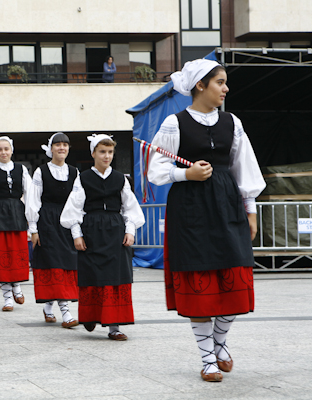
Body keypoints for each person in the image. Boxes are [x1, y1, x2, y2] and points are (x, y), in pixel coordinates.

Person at [147, 59, 266, 382]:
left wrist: (251, 209)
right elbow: (155, 169)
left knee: (236, 274)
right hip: (190, 209)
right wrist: (185, 173)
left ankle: (220, 343)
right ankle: (208, 359)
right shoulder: (174, 123)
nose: (226, 88)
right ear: (200, 85)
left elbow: (244, 167)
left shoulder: (232, 122)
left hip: (227, 205)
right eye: (220, 82)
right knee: (198, 282)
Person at [60, 134, 145, 340]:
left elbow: (130, 207)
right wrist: (77, 234)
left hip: (115, 231)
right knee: (93, 275)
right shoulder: (83, 178)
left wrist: (130, 230)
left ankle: (114, 327)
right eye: (102, 152)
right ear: (93, 154)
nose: (106, 156)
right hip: (92, 231)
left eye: (110, 152)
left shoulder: (120, 179)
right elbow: (73, 208)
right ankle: (90, 316)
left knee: (115, 277)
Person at [25, 133, 79, 328]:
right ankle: (65, 311)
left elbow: (78, 200)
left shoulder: (74, 172)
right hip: (47, 221)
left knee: (65, 263)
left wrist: (78, 226)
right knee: (53, 263)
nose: (61, 148)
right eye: (58, 145)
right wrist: (33, 228)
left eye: (65, 144)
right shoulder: (41, 171)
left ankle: (48, 307)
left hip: (67, 221)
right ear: (51, 148)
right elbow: (33, 200)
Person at [0, 136, 32, 311]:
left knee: (16, 252)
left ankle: (17, 286)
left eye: (6, 149)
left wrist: (30, 217)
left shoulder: (21, 169)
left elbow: (29, 193)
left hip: (17, 212)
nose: (3, 152)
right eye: (0, 149)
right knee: (2, 254)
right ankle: (7, 298)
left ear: (12, 150)